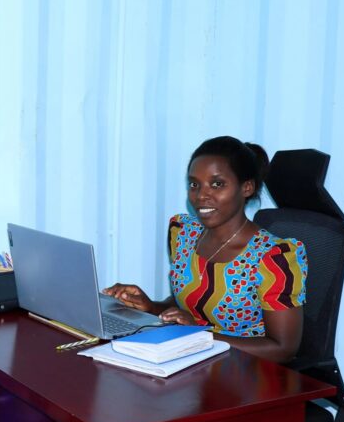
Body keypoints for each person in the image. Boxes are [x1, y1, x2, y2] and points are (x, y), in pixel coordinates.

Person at [103, 136, 307, 363]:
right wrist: (150, 306)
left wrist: (200, 336)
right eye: (194, 184)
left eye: (217, 184)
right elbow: (188, 302)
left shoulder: (273, 257)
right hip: (191, 362)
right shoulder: (183, 234)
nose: (201, 195)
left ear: (246, 187)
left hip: (246, 377)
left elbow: (283, 348)